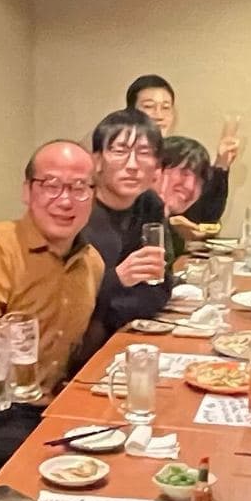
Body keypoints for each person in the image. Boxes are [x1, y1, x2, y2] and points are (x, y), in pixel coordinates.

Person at [0, 140, 107, 488]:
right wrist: (9, 342)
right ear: (27, 191)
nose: (65, 200)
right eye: (51, 185)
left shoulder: (91, 262)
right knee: (31, 495)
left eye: (79, 188)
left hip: (57, 405)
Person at [77, 107, 175, 361]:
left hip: (128, 342)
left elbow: (160, 288)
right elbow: (67, 302)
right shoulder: (77, 210)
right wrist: (118, 279)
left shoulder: (149, 204)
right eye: (120, 151)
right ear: (97, 160)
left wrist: (112, 296)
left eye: (144, 153)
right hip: (79, 354)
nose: (132, 165)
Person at [129, 72, 237, 223]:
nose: (159, 115)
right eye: (148, 106)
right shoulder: (122, 159)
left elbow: (204, 215)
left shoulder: (174, 153)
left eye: (166, 107)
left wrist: (222, 163)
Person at [157, 134, 220, 249]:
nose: (190, 186)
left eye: (199, 180)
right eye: (184, 173)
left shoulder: (167, 224)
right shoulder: (128, 220)